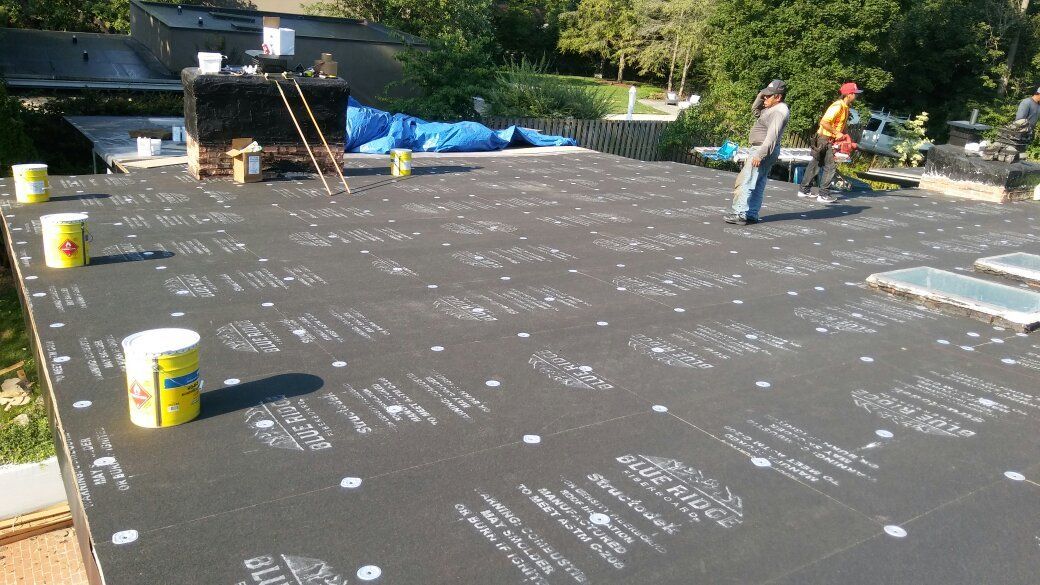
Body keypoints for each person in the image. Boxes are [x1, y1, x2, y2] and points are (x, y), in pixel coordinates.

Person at [724, 79, 790, 226]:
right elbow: (755, 110)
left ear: (778, 97)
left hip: (762, 149)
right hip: (763, 149)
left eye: (768, 96)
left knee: (746, 180)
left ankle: (740, 213)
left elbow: (772, 136)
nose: (764, 98)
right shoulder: (772, 109)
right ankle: (751, 213)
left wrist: (760, 155)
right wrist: (762, 93)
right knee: (758, 181)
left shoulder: (779, 111)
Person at [798, 82, 862, 203]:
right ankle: (823, 194)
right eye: (854, 93)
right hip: (824, 139)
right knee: (830, 166)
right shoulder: (838, 106)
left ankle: (803, 190)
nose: (856, 96)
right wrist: (836, 133)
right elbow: (824, 122)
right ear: (849, 94)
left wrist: (845, 136)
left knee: (816, 163)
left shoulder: (845, 107)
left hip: (824, 139)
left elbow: (840, 125)